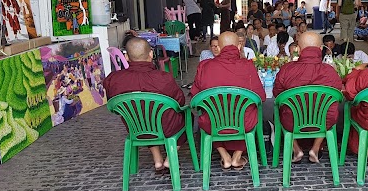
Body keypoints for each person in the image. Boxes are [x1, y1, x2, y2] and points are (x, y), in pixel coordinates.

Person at [103, 38, 188, 173]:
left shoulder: (113, 79)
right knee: (186, 118)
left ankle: (158, 160)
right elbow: (180, 102)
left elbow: (114, 106)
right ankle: (169, 160)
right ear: (151, 54)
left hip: (135, 128)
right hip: (165, 128)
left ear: (126, 57)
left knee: (141, 114)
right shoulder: (163, 78)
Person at [191, 32, 266, 170]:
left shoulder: (204, 66)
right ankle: (237, 157)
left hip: (213, 123)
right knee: (250, 112)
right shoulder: (248, 66)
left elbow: (195, 98)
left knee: (208, 115)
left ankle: (224, 155)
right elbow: (260, 97)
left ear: (218, 47)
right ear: (239, 46)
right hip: (242, 123)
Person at [273, 32, 343, 163]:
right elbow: (338, 93)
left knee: (281, 110)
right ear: (321, 48)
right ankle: (315, 148)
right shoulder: (329, 71)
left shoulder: (287, 69)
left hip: (293, 121)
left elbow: (277, 94)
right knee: (328, 112)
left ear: (298, 49)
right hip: (322, 122)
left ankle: (296, 149)